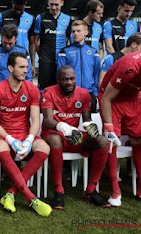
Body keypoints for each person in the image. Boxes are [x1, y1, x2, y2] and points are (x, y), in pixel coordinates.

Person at [0, 52, 52, 217]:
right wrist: (10, 139)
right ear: (10, 68)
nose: (27, 70)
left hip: (25, 133)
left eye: (27, 66)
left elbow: (35, 119)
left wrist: (30, 139)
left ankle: (10, 193)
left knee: (44, 148)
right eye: (22, 67)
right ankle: (31, 198)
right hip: (4, 134)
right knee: (0, 146)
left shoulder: (32, 88)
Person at [41, 65, 110, 209]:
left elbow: (86, 119)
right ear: (58, 79)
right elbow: (47, 120)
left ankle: (91, 190)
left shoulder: (84, 93)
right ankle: (58, 191)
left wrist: (91, 126)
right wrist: (63, 127)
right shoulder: (48, 92)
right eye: (65, 79)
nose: (69, 82)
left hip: (75, 136)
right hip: (54, 134)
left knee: (102, 141)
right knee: (54, 139)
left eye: (72, 79)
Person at [99, 50, 141, 206]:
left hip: (134, 96)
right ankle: (114, 189)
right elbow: (106, 98)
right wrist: (108, 127)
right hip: (112, 98)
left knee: (138, 138)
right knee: (112, 142)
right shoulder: (129, 67)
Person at [0, 24, 32, 110]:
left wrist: (27, 93)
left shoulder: (23, 52)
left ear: (16, 39)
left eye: (10, 43)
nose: (8, 46)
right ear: (1, 37)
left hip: (18, 95)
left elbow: (28, 76)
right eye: (5, 43)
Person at [57, 20, 100, 112]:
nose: (75, 34)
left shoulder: (93, 52)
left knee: (88, 124)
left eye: (78, 31)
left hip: (89, 93)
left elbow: (97, 74)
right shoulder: (64, 51)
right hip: (70, 94)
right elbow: (60, 74)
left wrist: (96, 93)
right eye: (73, 31)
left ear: (86, 32)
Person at [34, 0, 71, 91]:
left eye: (56, 4)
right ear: (48, 3)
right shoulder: (40, 18)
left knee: (61, 87)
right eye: (51, 4)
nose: (54, 7)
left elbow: (66, 40)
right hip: (45, 60)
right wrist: (41, 54)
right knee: (45, 89)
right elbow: (35, 41)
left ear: (62, 3)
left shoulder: (67, 19)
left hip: (60, 60)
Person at [0, 0, 36, 76]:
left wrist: (33, 64)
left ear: (25, 5)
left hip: (22, 55)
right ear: (12, 3)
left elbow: (32, 43)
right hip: (5, 55)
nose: (18, 11)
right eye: (16, 8)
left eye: (21, 9)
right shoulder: (2, 16)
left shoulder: (30, 18)